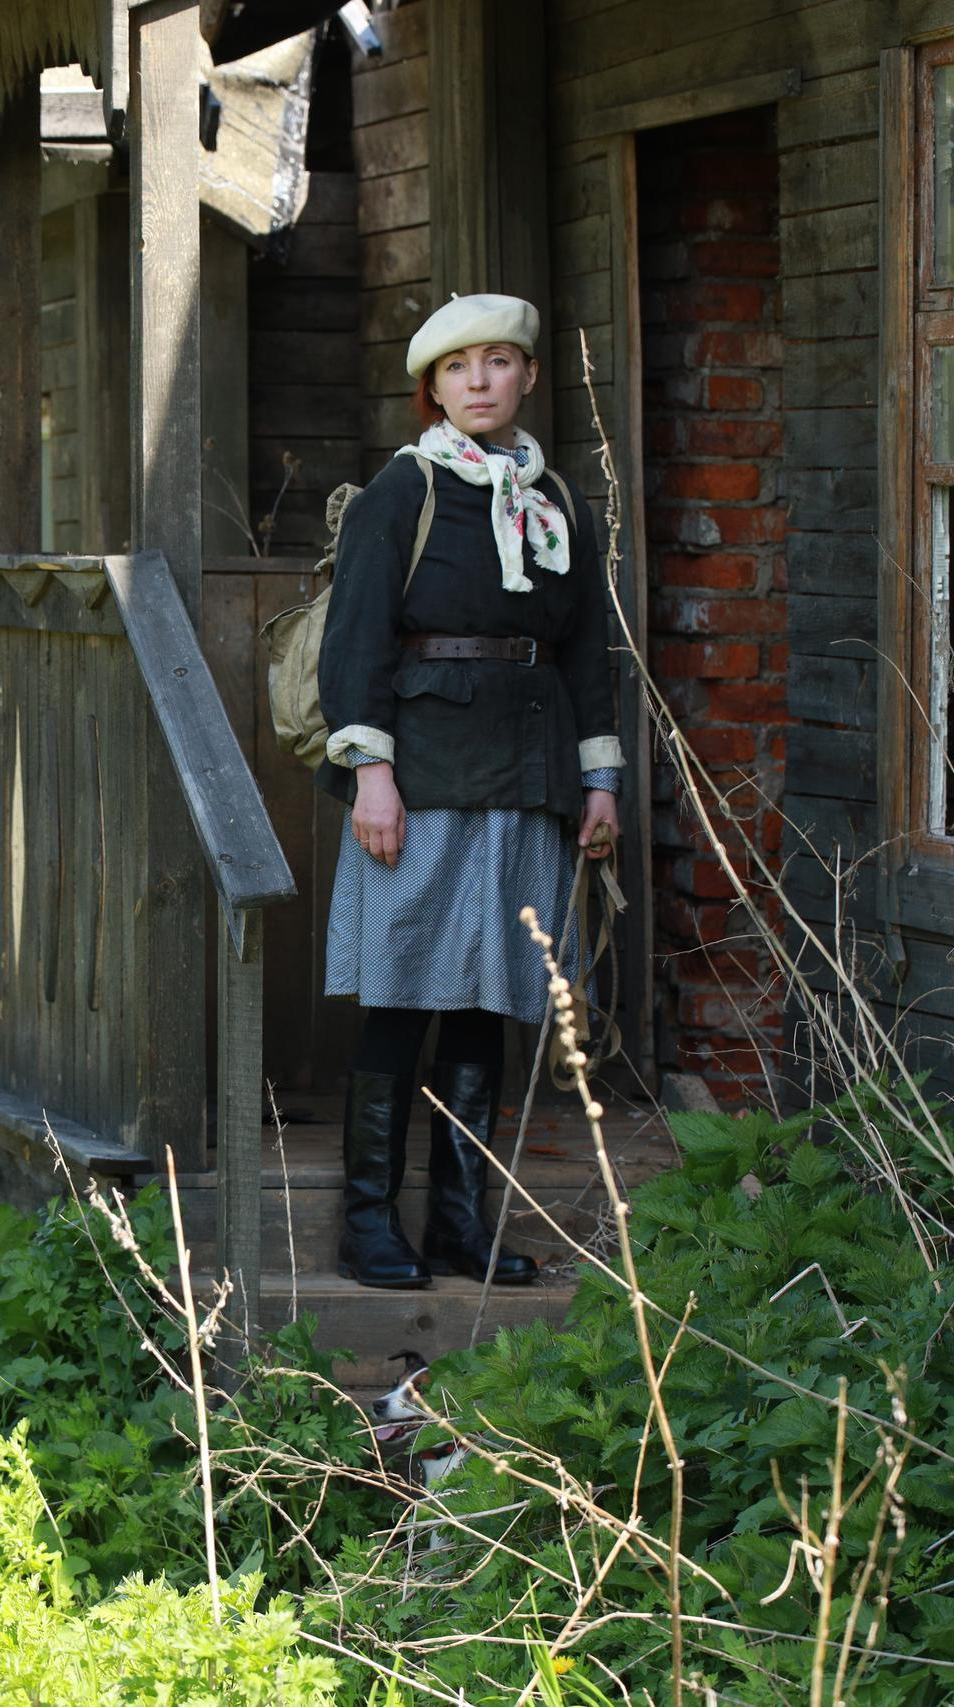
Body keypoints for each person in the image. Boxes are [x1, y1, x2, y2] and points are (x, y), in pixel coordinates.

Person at [316, 293, 623, 1292]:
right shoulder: (400, 493)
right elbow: (354, 641)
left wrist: (599, 780)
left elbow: (587, 652)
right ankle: (368, 1226)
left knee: (491, 997)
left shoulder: (559, 503)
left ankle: (460, 1224)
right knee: (404, 991)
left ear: (527, 375)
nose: (480, 381)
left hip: (526, 774)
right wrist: (372, 775)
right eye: (458, 367)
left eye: (497, 361)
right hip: (424, 776)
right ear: (432, 389)